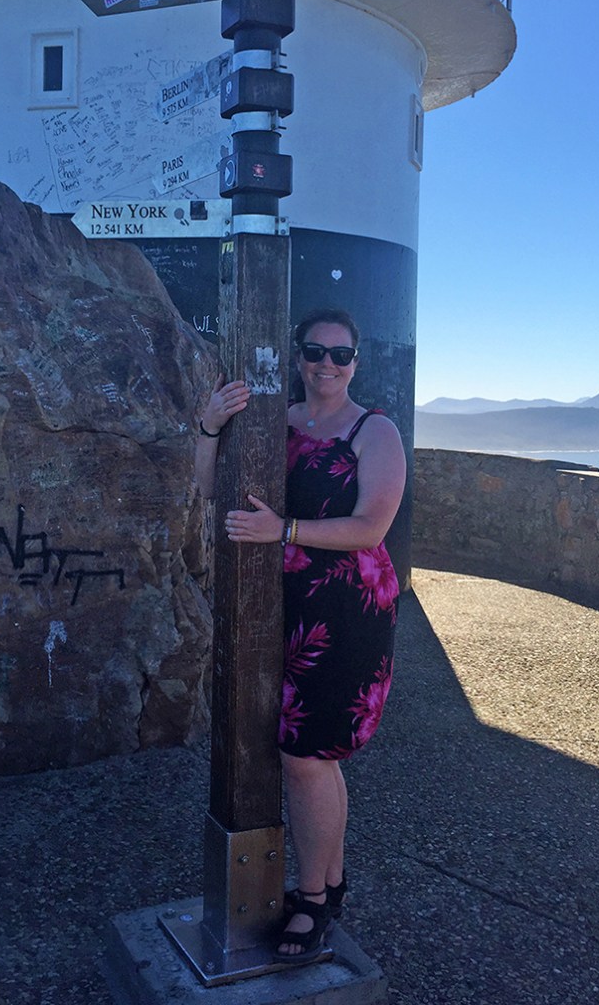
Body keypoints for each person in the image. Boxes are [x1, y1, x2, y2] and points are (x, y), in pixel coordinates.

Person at [196, 308, 406, 963]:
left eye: (340, 355)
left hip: (347, 612)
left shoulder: (374, 432)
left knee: (305, 757)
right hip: (281, 610)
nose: (326, 364)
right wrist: (209, 427)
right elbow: (214, 493)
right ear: (297, 358)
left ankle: (312, 899)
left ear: (356, 364)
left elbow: (370, 528)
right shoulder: (274, 422)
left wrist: (281, 531)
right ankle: (329, 887)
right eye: (315, 351)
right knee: (314, 758)